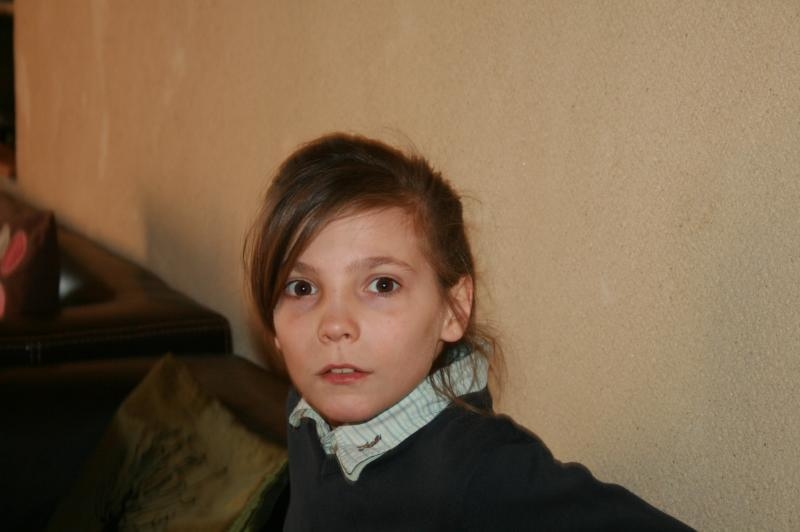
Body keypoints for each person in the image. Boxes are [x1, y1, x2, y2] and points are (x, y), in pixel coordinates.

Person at [246, 133, 693, 531]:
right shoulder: (308, 411)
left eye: (382, 285)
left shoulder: (486, 474)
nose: (334, 325)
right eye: (301, 288)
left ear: (454, 308)